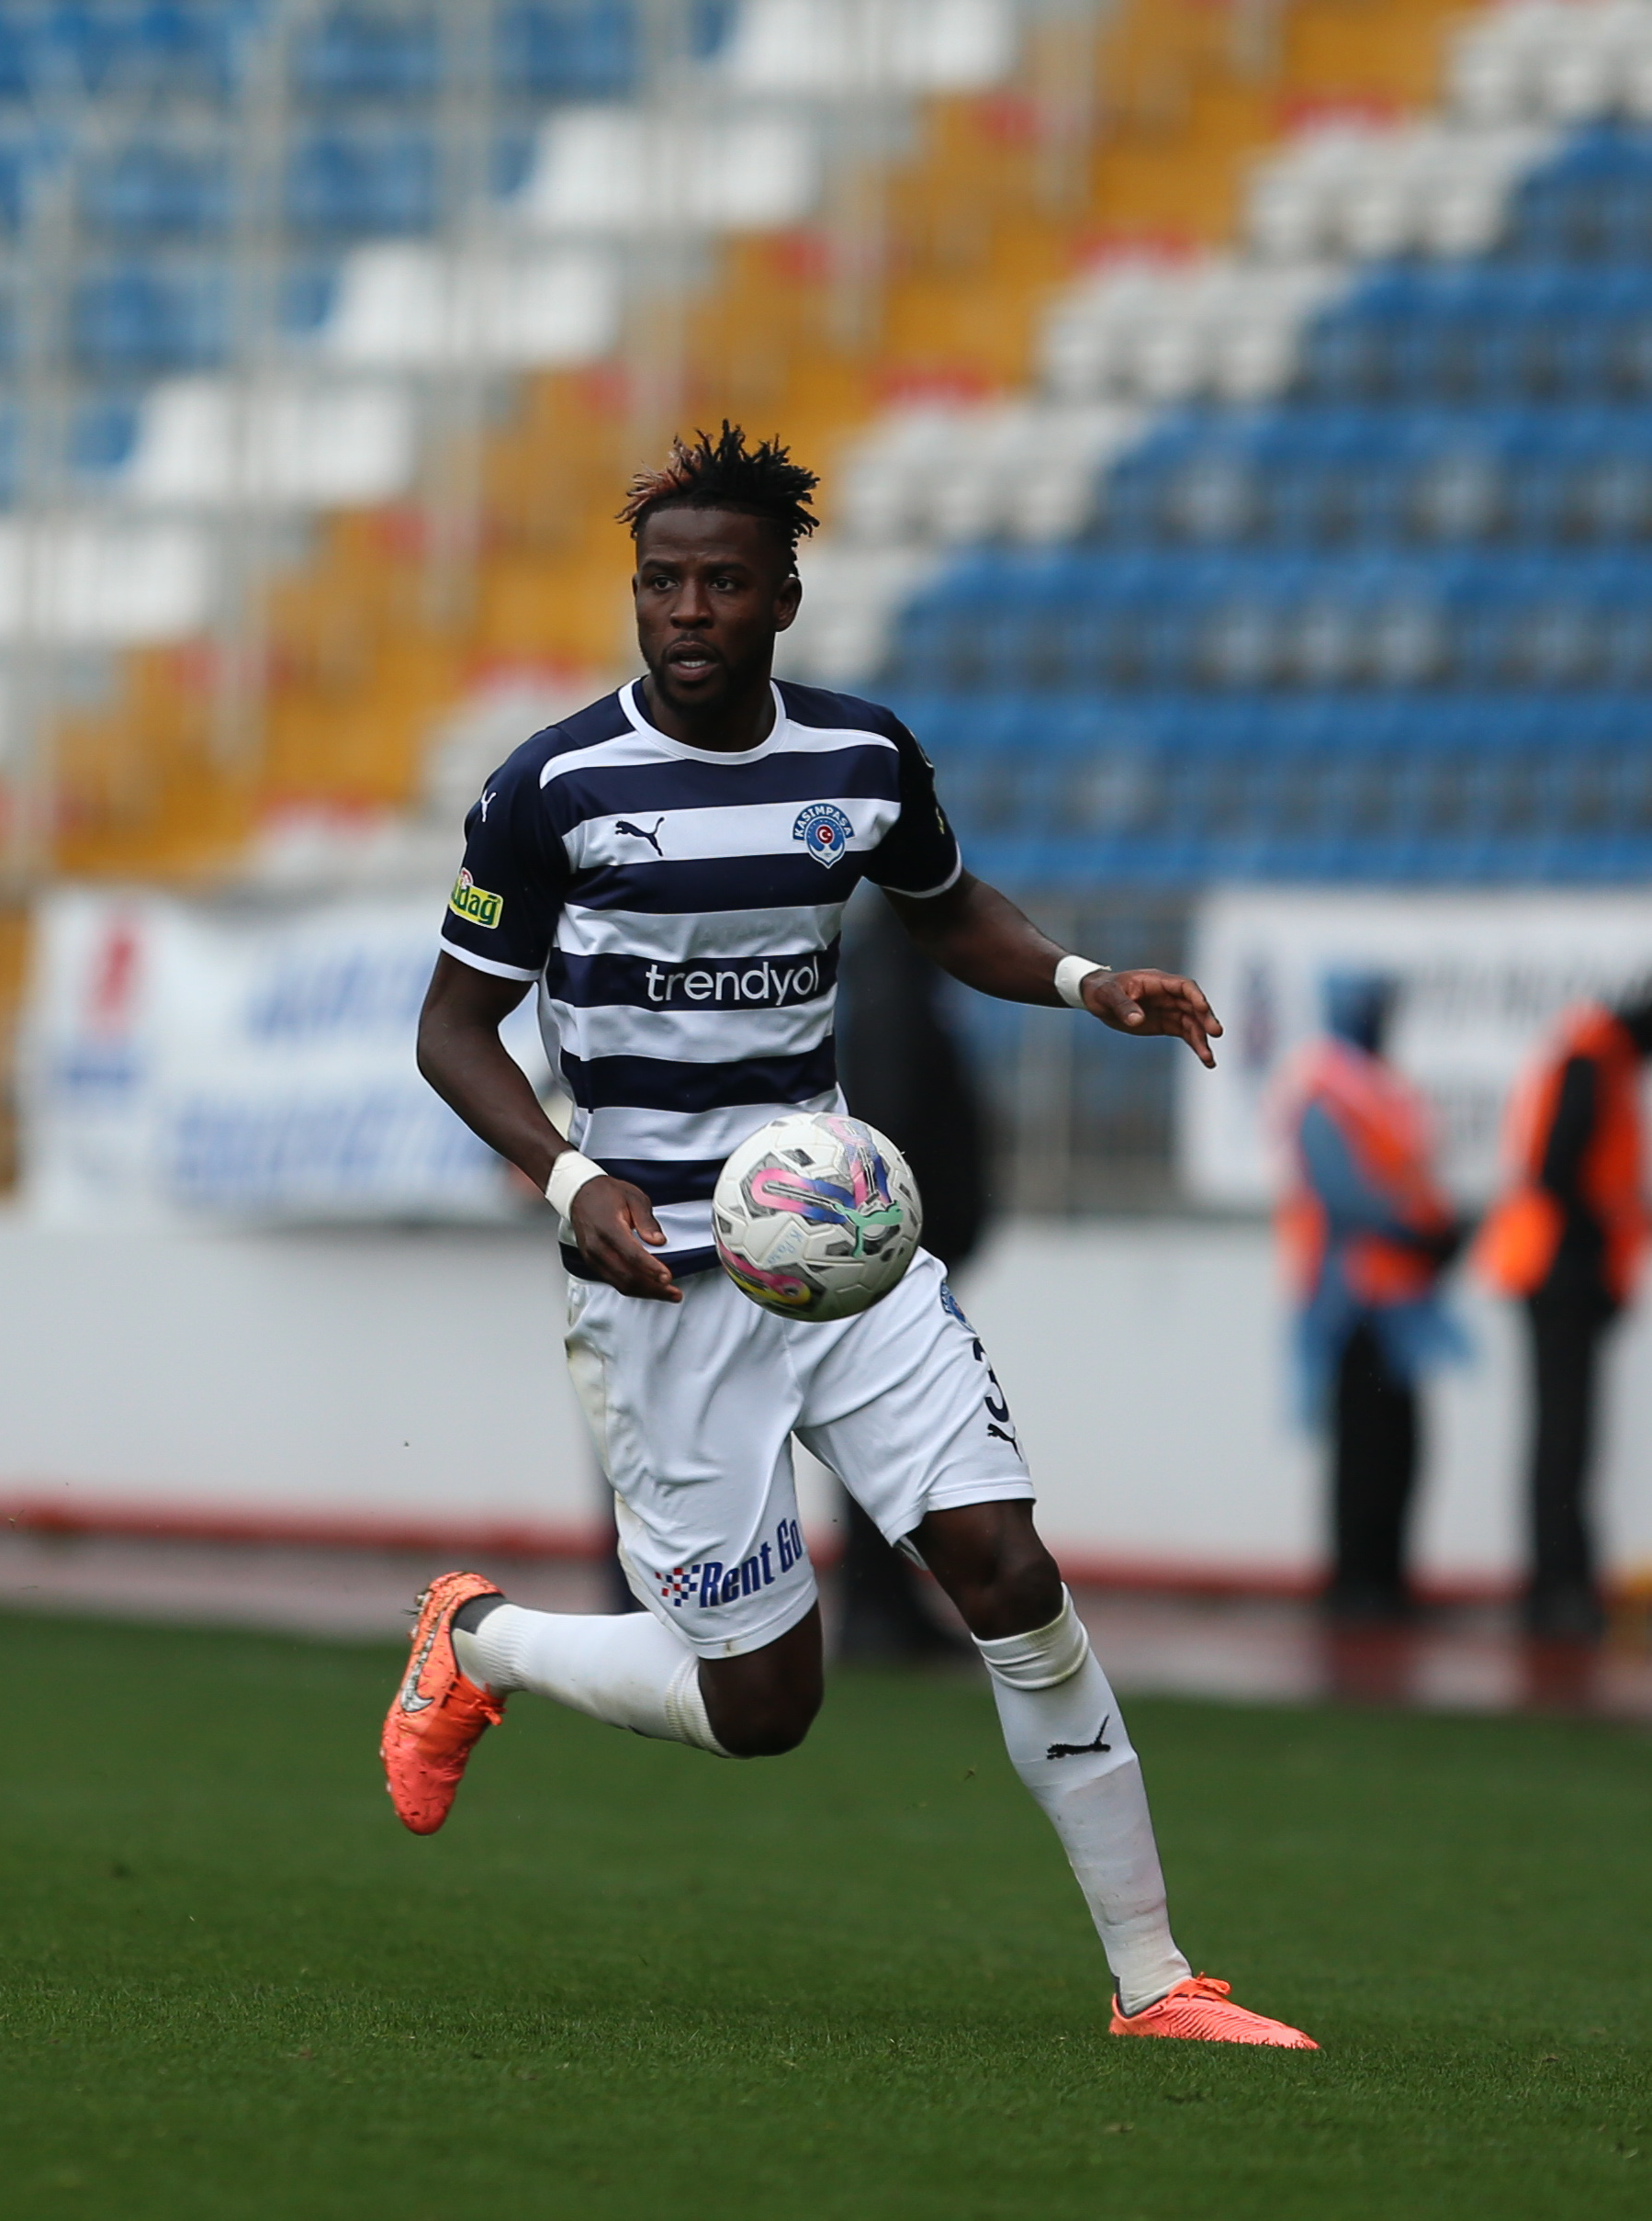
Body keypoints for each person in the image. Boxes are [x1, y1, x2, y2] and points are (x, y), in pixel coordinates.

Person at [385, 423, 1313, 2049]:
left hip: (842, 1257)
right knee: (764, 1704)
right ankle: (480, 1642)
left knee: (1005, 1569)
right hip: (657, 1280)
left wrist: (1087, 981)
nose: (686, 611)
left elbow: (945, 909)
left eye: (721, 583)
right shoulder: (551, 788)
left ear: (783, 598)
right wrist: (567, 1179)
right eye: (660, 582)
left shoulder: (861, 758)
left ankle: (1154, 1976)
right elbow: (451, 1029)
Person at [833, 887, 990, 1661]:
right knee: (883, 1428)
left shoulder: (889, 975)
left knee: (892, 1429)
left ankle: (887, 1602)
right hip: (894, 1249)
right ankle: (877, 1609)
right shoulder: (896, 982)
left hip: (895, 1246)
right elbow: (894, 1110)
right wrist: (902, 1230)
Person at [1276, 973, 1462, 1623]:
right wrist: (1419, 1231)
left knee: (1401, 1444)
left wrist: (1437, 1229)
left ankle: (1388, 1577)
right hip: (1349, 1298)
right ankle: (1356, 1580)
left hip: (1400, 1297)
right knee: (1362, 1444)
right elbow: (1345, 1196)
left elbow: (1409, 1175)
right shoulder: (1326, 1093)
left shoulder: (1382, 1091)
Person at [1474, 989, 1652, 1641]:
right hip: (1559, 1274)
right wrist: (1598, 1252)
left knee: (1567, 1436)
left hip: (1562, 1273)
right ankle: (1557, 1589)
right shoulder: (1593, 1059)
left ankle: (1563, 1582)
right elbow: (1559, 1171)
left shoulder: (1597, 1057)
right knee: (1564, 1438)